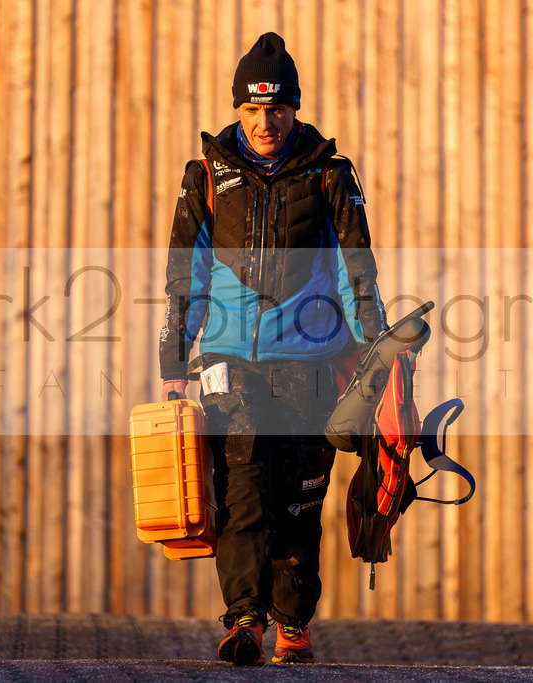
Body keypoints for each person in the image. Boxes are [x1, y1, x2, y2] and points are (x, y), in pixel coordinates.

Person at [158, 32, 387, 666]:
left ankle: (292, 622)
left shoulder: (329, 173)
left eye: (278, 109)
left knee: (300, 493)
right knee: (241, 487)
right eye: (254, 110)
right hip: (228, 357)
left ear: (294, 108)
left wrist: (377, 353)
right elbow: (187, 274)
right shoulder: (205, 175)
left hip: (310, 361)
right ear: (239, 110)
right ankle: (244, 620)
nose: (266, 123)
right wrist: (176, 363)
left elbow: (356, 269)